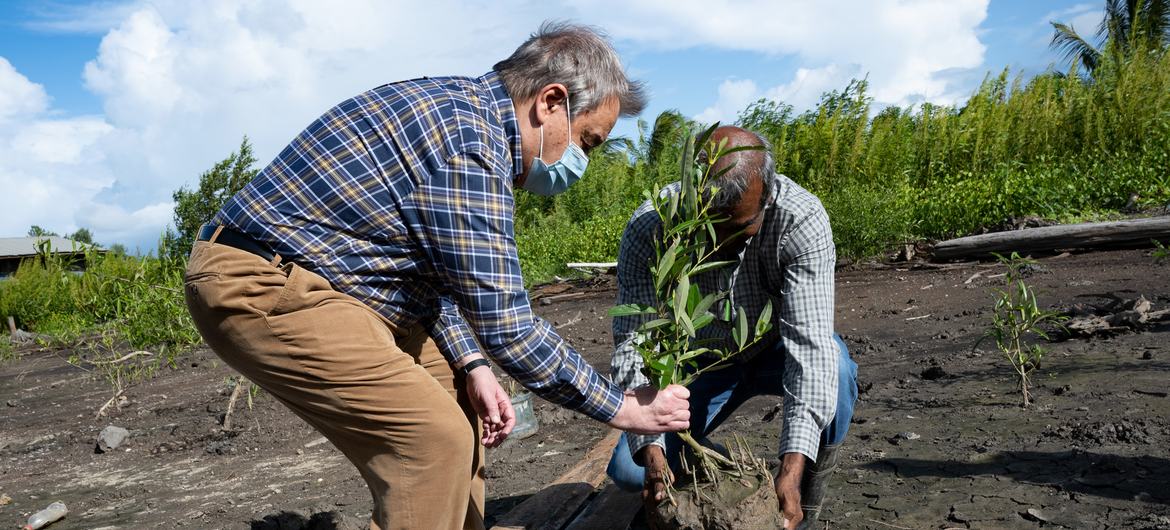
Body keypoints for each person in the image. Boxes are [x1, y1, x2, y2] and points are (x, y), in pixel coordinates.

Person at [183, 22, 691, 530]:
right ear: (550, 102)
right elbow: (510, 328)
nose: (579, 159)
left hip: (348, 289)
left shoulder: (467, 118)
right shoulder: (469, 149)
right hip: (263, 282)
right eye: (588, 140)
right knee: (429, 441)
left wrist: (472, 363)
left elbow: (432, 271)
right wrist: (625, 408)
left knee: (459, 408)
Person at [606, 126, 858, 529]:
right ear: (692, 198)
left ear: (768, 195)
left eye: (737, 229)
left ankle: (804, 508)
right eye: (710, 227)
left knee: (838, 370)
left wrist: (789, 471)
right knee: (627, 469)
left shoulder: (800, 220)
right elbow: (635, 344)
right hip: (702, 364)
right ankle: (713, 463)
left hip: (775, 350)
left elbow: (809, 351)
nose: (720, 243)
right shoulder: (651, 227)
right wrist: (653, 452)